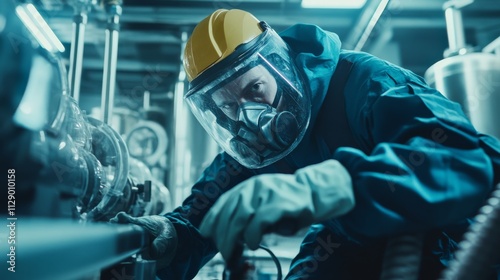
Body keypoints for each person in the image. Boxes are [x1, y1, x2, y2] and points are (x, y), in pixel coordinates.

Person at [111, 9, 500, 279]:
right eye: (229, 105)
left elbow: (459, 157)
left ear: (279, 65)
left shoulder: (366, 83)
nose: (248, 114)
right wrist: (167, 236)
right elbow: (206, 215)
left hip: (456, 237)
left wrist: (336, 184)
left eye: (255, 89)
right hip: (352, 237)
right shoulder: (258, 143)